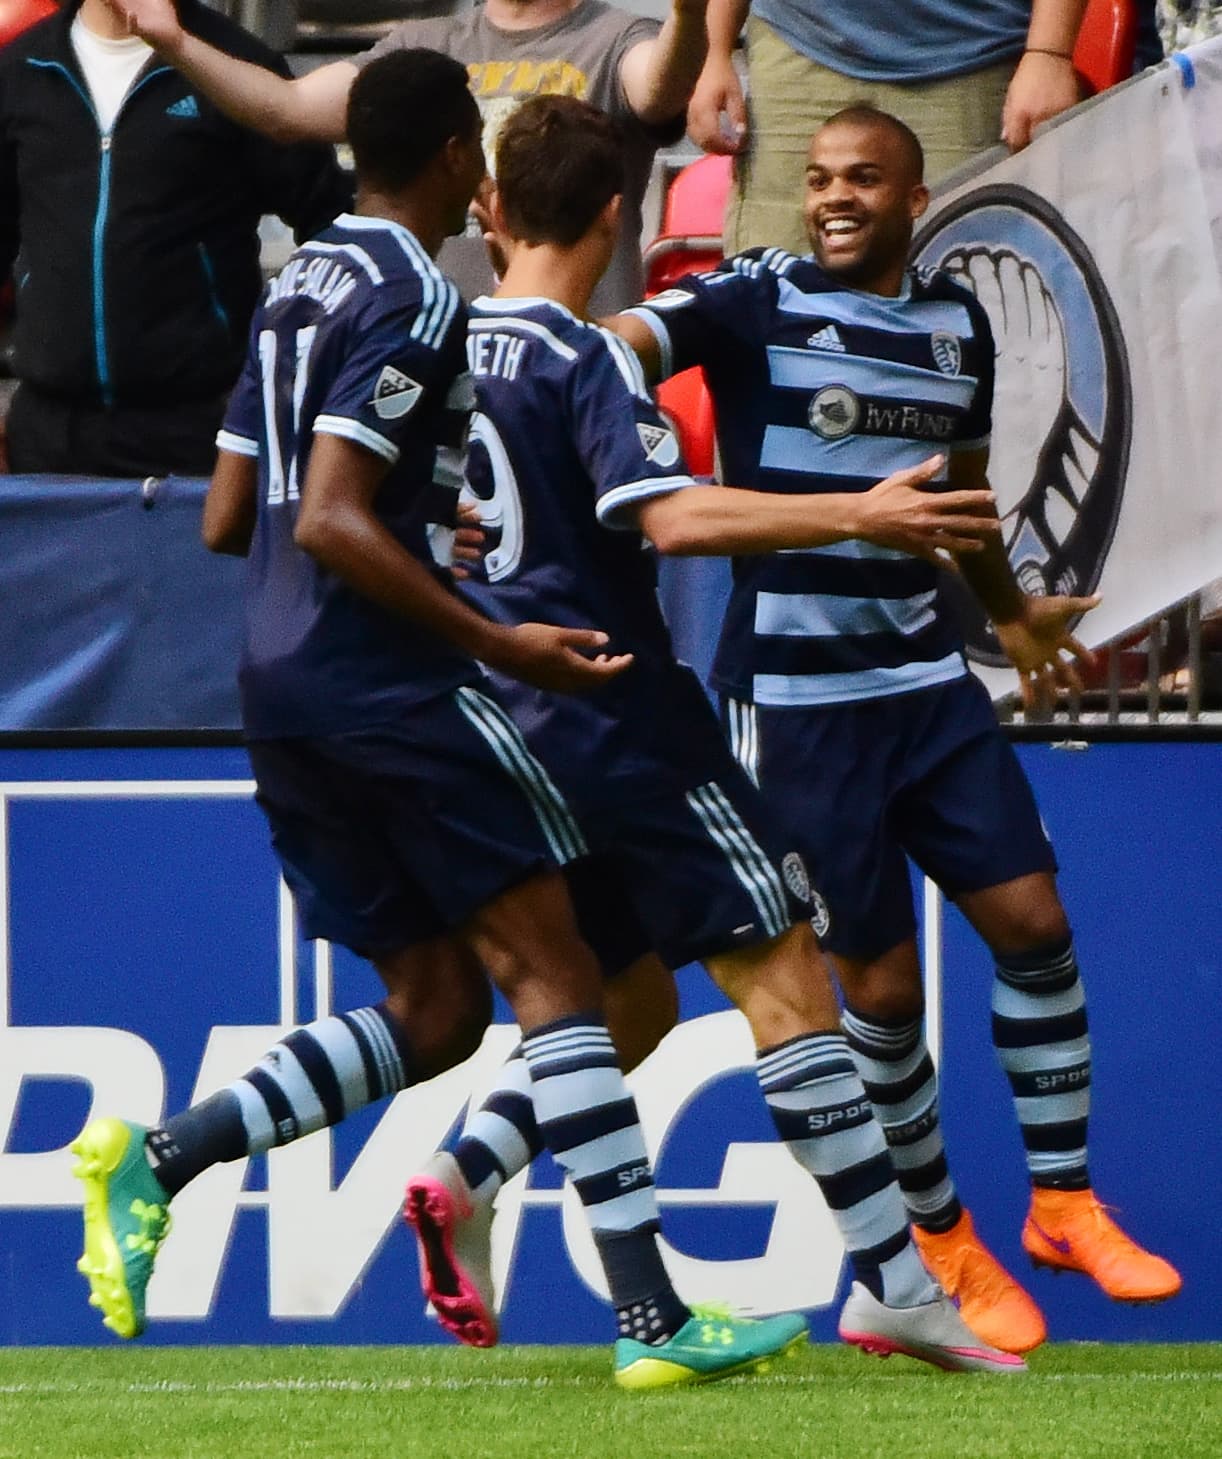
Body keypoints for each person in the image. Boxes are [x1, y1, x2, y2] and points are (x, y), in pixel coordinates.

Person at [70, 48, 809, 1391]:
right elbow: (333, 516)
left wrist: (406, 520)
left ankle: (161, 1156)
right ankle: (652, 1317)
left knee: (435, 1008)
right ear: (459, 157)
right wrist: (489, 633)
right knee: (561, 975)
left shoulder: (295, 284)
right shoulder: (417, 293)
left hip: (276, 686)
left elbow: (232, 517)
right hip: (390, 685)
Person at [391, 92, 1024, 1376]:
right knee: (790, 983)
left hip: (503, 722)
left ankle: (467, 1171)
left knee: (622, 998)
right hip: (626, 720)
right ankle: (897, 1285)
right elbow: (672, 521)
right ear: (617, 214)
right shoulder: (585, 361)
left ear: (491, 210)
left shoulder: (442, 350)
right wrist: (862, 513)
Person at [607, 103, 1182, 1354]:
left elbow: (962, 499)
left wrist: (1011, 616)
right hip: (797, 710)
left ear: (914, 198)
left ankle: (1063, 1205)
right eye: (819, 177)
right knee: (878, 989)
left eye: (862, 179)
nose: (833, 197)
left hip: (926, 688)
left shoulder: (956, 324)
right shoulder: (755, 297)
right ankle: (939, 1240)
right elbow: (619, 345)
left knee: (1034, 922)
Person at [102, 0, 709, 314]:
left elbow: (659, 88)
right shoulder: (424, 45)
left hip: (569, 363)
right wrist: (174, 42)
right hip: (429, 366)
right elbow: (287, 111)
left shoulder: (616, 36)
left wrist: (686, 14)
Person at [0, 0, 350, 476]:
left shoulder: (238, 65)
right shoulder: (23, 68)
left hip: (200, 426)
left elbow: (329, 226)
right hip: (48, 428)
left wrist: (288, 376)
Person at [687, 0, 1089, 256]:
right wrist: (711, 49)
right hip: (796, 48)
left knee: (971, 280)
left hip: (972, 59)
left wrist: (1049, 51)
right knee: (774, 286)